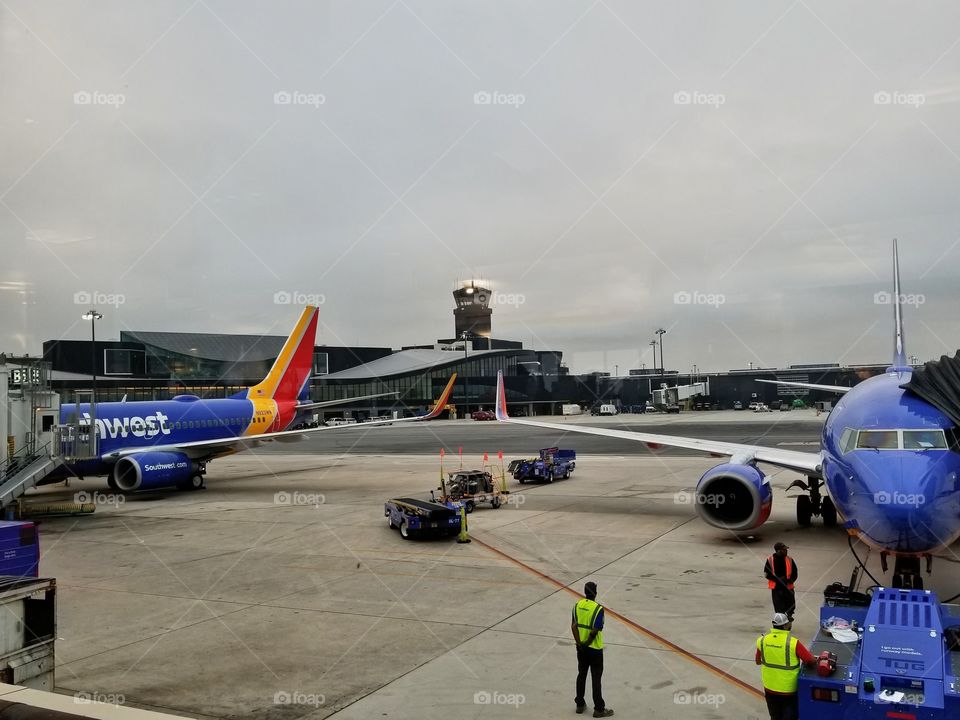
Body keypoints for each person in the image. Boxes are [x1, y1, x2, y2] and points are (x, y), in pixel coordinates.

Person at [756, 612, 816, 720]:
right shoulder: (793, 643)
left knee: (775, 716)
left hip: (769, 687)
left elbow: (758, 661)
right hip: (788, 690)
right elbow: (810, 660)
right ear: (785, 626)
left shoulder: (762, 640)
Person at [571, 581, 614, 717]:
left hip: (581, 649)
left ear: (585, 592)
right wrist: (587, 643)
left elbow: (573, 626)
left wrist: (580, 644)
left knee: (581, 674)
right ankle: (599, 709)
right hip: (594, 649)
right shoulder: (598, 609)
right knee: (596, 678)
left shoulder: (577, 606)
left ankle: (579, 704)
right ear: (595, 593)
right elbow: (595, 630)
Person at [764, 542, 797, 620]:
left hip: (788, 586)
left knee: (790, 605)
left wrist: (790, 580)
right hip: (776, 587)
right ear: (778, 551)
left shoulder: (790, 559)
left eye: (786, 549)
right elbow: (767, 574)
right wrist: (778, 580)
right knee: (779, 606)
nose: (786, 551)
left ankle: (789, 617)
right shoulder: (770, 559)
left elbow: (795, 572)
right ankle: (781, 621)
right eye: (784, 550)